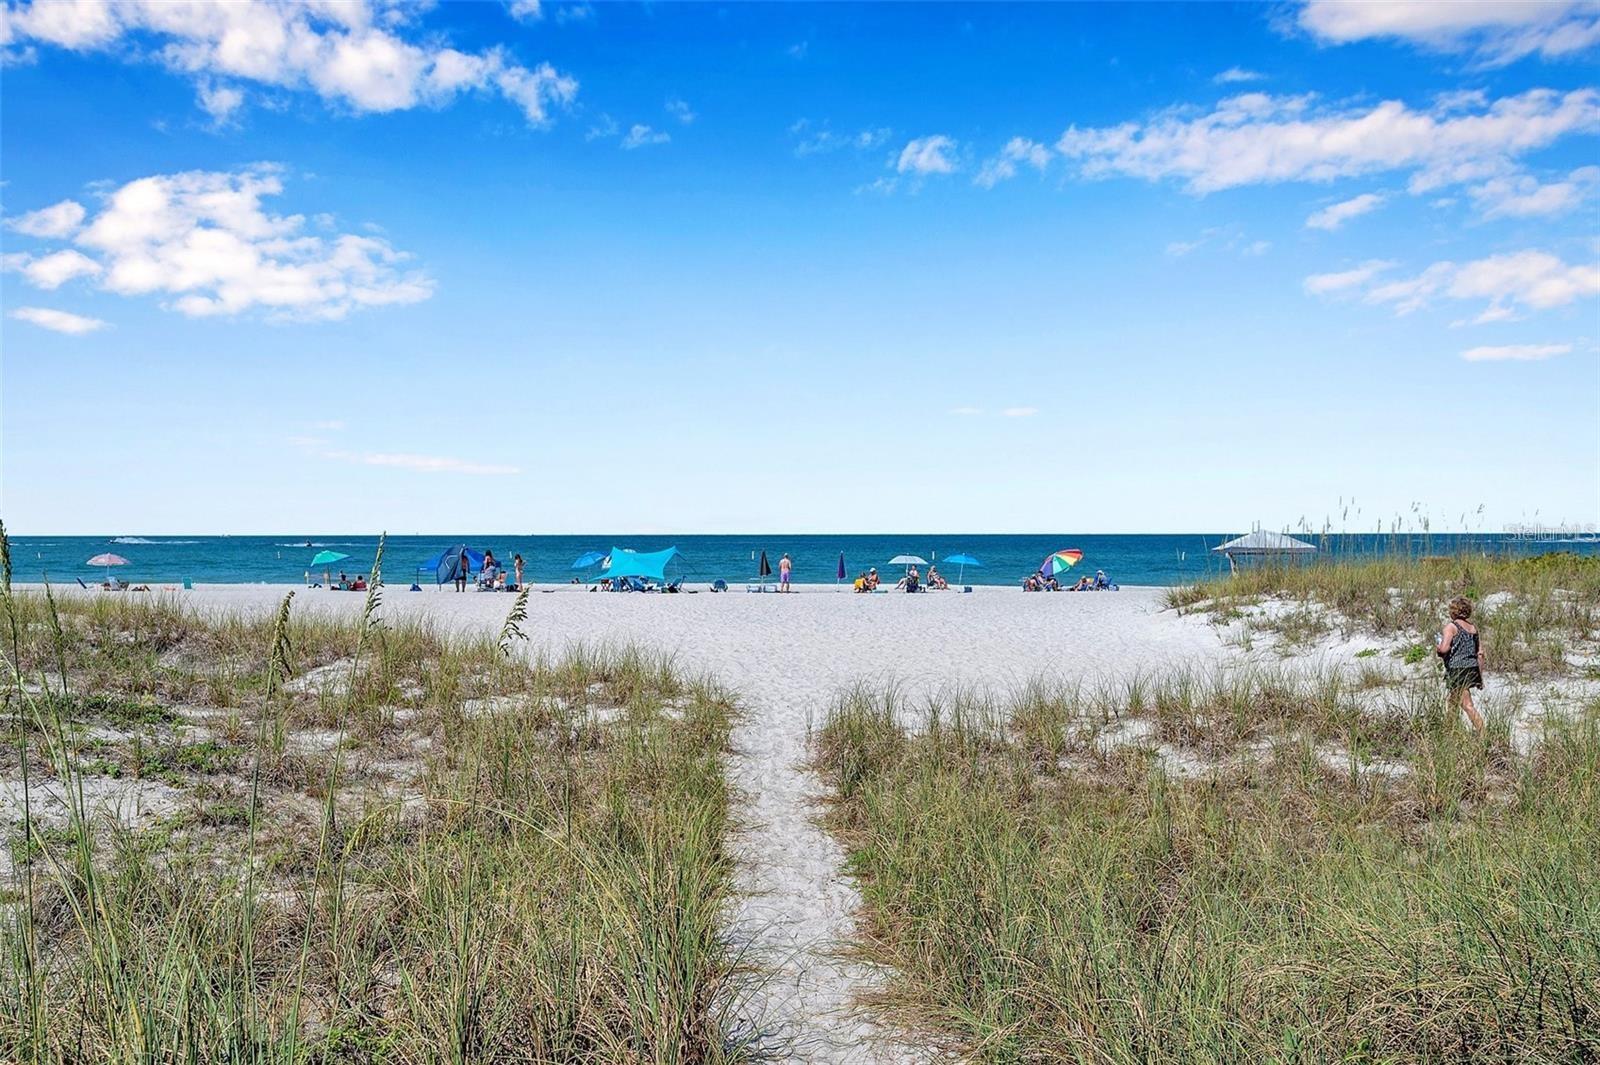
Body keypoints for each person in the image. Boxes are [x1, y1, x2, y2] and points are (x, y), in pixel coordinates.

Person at [1436, 596, 1486, 734]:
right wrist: (1480, 677)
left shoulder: (1451, 627)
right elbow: (1480, 653)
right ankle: (1449, 731)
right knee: (1452, 701)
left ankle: (1484, 734)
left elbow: (1444, 649)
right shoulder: (1473, 628)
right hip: (1472, 667)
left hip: (1458, 669)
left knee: (1467, 705)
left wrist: (1438, 648)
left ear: (1453, 611)